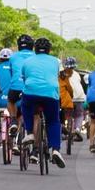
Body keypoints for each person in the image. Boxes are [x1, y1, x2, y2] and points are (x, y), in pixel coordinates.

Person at [15, 37, 67, 168]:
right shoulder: (56, 61)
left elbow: (24, 77)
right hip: (51, 94)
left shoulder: (27, 61)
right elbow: (59, 75)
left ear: (35, 49)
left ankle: (30, 133)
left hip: (31, 92)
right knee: (54, 121)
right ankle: (55, 149)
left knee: (25, 108)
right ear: (49, 50)